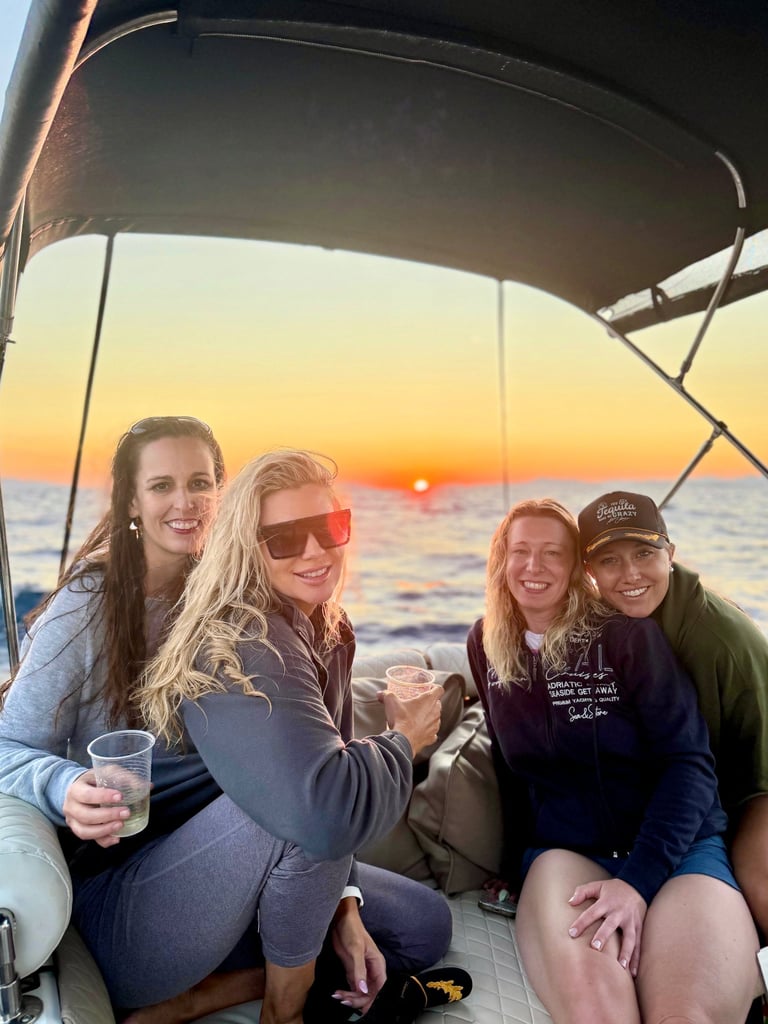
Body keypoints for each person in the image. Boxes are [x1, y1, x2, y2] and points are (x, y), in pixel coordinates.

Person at [136, 448, 461, 1024]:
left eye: (329, 527)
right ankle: (280, 1012)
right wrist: (404, 738)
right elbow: (325, 811)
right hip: (153, 911)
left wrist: (346, 908)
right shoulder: (244, 643)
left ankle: (218, 990)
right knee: (317, 810)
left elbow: (333, 765)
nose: (315, 551)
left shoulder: (328, 630)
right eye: (283, 538)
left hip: (257, 874)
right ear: (246, 547)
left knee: (423, 925)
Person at [467, 497, 759, 1024]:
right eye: (520, 551)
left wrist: (637, 882)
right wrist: (509, 866)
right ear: (500, 560)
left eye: (553, 553)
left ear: (575, 567)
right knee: (600, 1014)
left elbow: (689, 763)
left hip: (679, 854)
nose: (534, 566)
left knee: (685, 1016)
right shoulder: (485, 643)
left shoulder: (626, 636)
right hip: (568, 855)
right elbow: (508, 767)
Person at [579, 489, 768, 942]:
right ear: (588, 572)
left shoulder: (720, 640)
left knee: (758, 886)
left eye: (645, 553)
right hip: (680, 788)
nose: (630, 574)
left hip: (752, 786)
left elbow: (752, 762)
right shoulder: (602, 625)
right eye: (609, 561)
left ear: (671, 554)